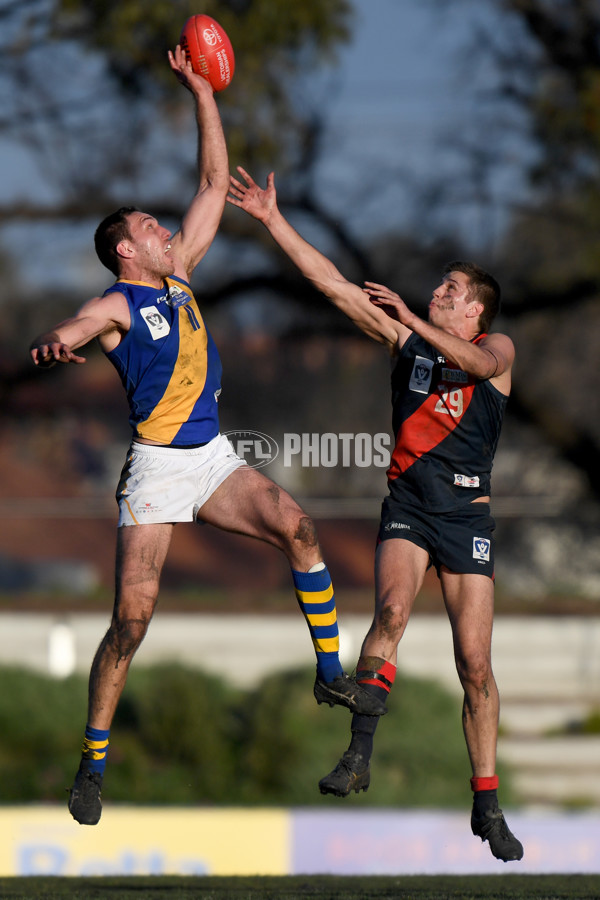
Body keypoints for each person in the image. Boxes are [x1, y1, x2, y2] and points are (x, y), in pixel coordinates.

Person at [29, 50, 384, 827]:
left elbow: (211, 182)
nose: (164, 228)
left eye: (161, 226)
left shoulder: (182, 271)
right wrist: (61, 340)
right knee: (130, 624)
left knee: (299, 526)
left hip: (213, 458)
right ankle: (92, 762)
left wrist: (202, 91)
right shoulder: (118, 300)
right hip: (156, 470)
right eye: (148, 228)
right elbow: (82, 324)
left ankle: (330, 671)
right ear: (127, 249)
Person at [227, 167, 523, 863]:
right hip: (411, 510)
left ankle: (486, 801)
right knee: (389, 615)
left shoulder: (499, 350)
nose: (439, 290)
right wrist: (273, 221)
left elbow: (478, 369)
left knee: (475, 665)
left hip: (467, 520)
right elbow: (330, 284)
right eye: (441, 284)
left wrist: (414, 323)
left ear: (475, 312)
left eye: (452, 290)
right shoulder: (407, 342)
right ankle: (357, 757)